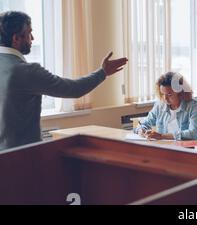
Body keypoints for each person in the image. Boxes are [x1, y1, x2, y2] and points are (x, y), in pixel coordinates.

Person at [0, 11, 128, 150]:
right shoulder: (25, 71)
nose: (33, 38)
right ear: (16, 38)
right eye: (29, 33)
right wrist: (103, 72)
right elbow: (74, 89)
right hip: (22, 157)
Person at [134, 72, 197, 141]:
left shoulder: (193, 106)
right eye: (162, 94)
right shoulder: (159, 105)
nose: (165, 98)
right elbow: (143, 123)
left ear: (180, 93)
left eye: (169, 94)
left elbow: (193, 133)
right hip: (166, 147)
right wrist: (141, 130)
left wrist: (162, 136)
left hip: (189, 148)